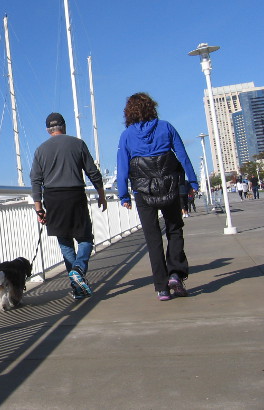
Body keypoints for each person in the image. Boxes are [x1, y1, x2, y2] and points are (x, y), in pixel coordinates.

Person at [116, 93, 198, 301]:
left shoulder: (126, 136)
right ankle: (175, 274)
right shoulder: (166, 127)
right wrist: (193, 181)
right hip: (169, 187)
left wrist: (123, 195)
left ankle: (162, 288)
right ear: (152, 107)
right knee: (174, 230)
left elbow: (122, 168)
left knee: (153, 238)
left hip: (143, 193)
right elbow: (182, 155)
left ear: (129, 112)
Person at [30, 112, 107, 300]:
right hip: (75, 195)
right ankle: (79, 269)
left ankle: (77, 285)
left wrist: (39, 208)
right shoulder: (77, 144)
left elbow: (35, 180)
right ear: (64, 126)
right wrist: (101, 195)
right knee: (85, 238)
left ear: (48, 130)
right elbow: (92, 172)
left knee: (65, 242)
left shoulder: (41, 150)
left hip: (53, 198)